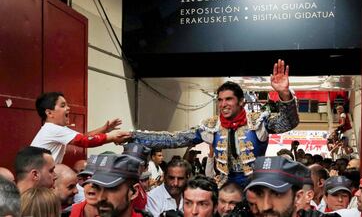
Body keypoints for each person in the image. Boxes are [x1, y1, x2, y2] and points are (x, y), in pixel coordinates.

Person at [131, 59, 299, 186]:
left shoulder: (258, 122)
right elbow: (174, 139)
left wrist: (284, 94)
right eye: (220, 100)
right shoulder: (212, 127)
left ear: (242, 102)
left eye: (228, 99)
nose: (223, 104)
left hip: (254, 187)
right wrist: (133, 136)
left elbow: (288, 122)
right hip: (224, 189)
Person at [31, 91, 131, 163]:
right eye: (63, 106)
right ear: (49, 113)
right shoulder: (53, 129)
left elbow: (83, 136)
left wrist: (104, 130)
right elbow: (85, 141)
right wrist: (112, 137)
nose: (68, 108)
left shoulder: (56, 129)